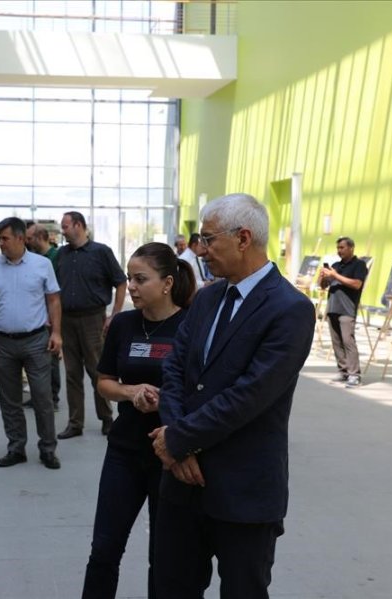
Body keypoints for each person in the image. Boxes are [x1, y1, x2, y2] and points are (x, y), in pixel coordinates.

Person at [149, 193, 315, 599]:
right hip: (182, 484)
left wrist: (179, 440)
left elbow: (251, 395)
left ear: (243, 238)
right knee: (170, 586)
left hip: (243, 490)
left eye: (208, 240)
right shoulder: (207, 298)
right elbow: (174, 369)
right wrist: (175, 437)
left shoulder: (290, 309)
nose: (201, 251)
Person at [82, 243, 196, 599]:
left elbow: (201, 391)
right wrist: (131, 393)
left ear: (166, 283)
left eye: (140, 279)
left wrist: (168, 402)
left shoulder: (191, 327)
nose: (130, 286)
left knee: (163, 558)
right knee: (104, 549)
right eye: (129, 278)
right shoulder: (123, 324)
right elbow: (104, 383)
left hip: (169, 455)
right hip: (125, 451)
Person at [0, 217, 63, 469]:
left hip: (36, 340)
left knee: (42, 397)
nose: (0, 243)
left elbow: (54, 300)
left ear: (21, 238)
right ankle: (16, 448)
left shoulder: (42, 265)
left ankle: (47, 449)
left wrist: (56, 333)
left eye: (5, 238)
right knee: (9, 399)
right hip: (3, 342)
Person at [56, 211, 128, 438]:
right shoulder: (61, 255)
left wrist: (114, 315)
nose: (63, 230)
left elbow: (121, 282)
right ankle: (75, 423)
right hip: (66, 319)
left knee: (98, 370)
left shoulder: (101, 252)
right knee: (71, 373)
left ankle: (107, 418)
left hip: (93, 319)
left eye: (66, 226)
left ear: (78, 225)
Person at [318, 236, 368, 388]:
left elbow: (356, 284)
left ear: (351, 248)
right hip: (333, 308)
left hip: (347, 309)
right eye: (338, 248)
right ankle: (343, 371)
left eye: (342, 248)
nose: (339, 251)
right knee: (336, 342)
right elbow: (323, 286)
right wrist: (324, 278)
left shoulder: (359, 265)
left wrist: (335, 275)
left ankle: (355, 375)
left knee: (348, 341)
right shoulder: (336, 266)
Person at [26, 223, 62, 410]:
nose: (27, 241)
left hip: (50, 316)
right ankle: (38, 395)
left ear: (40, 237)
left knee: (51, 358)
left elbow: (55, 292)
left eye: (30, 238)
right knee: (37, 359)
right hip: (37, 316)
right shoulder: (34, 258)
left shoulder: (55, 258)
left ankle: (52, 397)